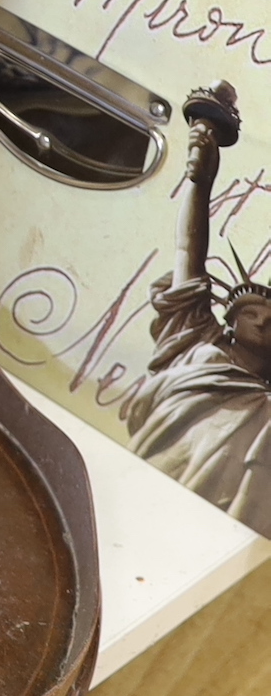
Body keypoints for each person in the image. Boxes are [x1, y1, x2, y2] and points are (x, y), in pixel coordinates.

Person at [125, 81, 271, 534]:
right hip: (149, 496)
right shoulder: (194, 343)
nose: (264, 319)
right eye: (251, 312)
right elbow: (189, 250)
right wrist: (199, 178)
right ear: (228, 319)